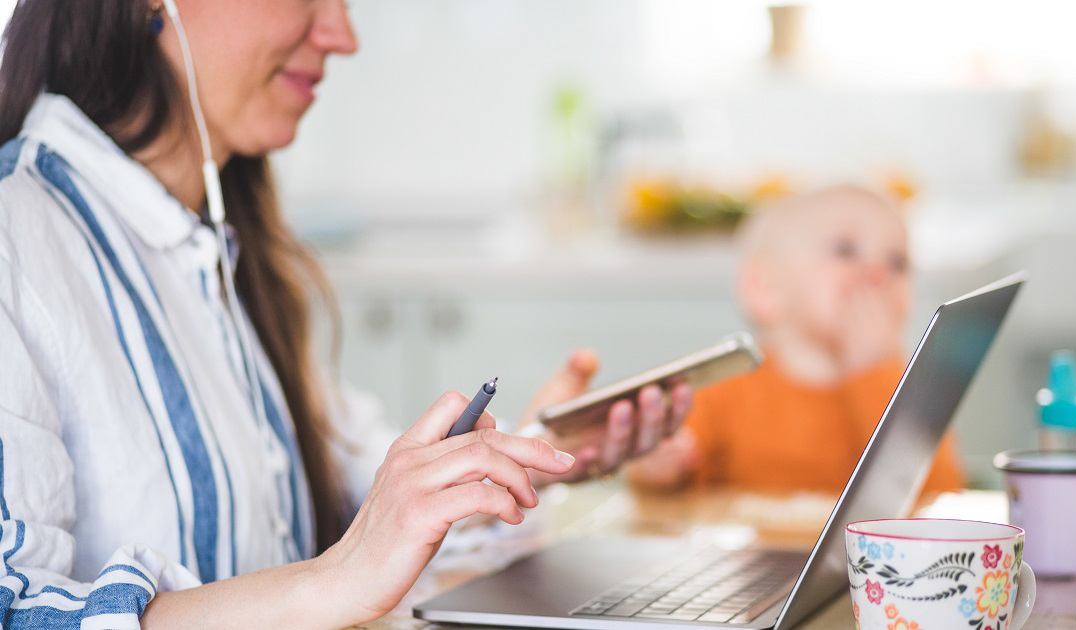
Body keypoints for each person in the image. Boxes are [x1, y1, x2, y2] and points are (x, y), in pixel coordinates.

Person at [0, 1, 689, 628]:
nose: (343, 35)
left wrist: (529, 459)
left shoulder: (223, 251)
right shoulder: (15, 236)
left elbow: (364, 486)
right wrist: (334, 580)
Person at [627, 184, 964, 498]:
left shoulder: (908, 392)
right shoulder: (727, 389)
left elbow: (939, 500)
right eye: (845, 250)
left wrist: (875, 370)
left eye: (897, 262)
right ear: (765, 288)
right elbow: (667, 490)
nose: (877, 272)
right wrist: (659, 468)